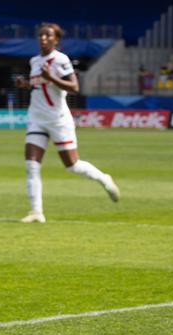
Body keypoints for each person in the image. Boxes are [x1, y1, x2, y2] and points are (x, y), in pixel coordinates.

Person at [16, 23, 119, 224]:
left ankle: (104, 178)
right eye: (41, 35)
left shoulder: (61, 60)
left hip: (58, 120)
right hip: (36, 118)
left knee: (72, 165)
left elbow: (74, 87)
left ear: (56, 40)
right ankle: (36, 212)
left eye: (48, 35)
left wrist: (51, 77)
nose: (43, 38)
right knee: (31, 165)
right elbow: (39, 87)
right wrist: (26, 84)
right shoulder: (34, 61)